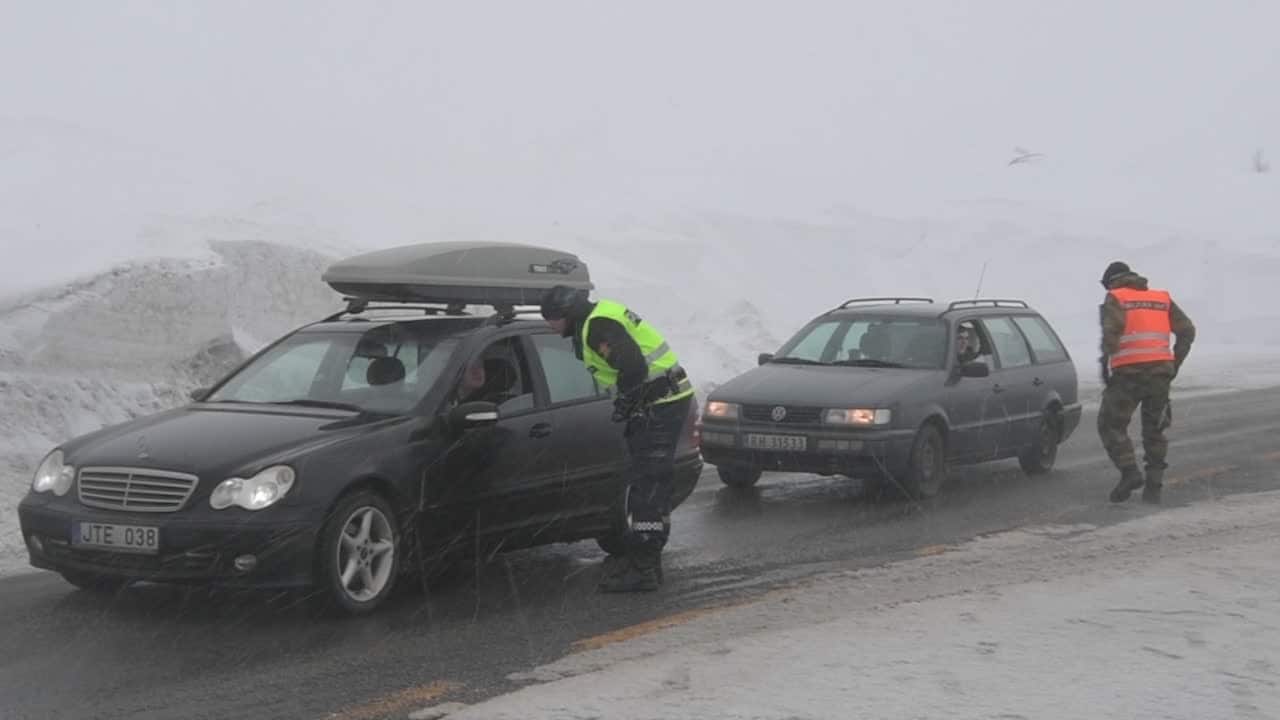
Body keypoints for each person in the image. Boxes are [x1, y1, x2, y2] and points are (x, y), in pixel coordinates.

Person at [539, 285, 695, 592]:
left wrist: (629, 402)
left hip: (660, 404)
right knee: (648, 485)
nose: (549, 325)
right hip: (662, 400)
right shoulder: (598, 316)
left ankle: (644, 567)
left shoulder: (598, 326)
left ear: (566, 313)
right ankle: (646, 559)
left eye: (552, 319)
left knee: (647, 487)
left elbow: (633, 366)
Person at [1097, 261, 1196, 504]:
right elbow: (1187, 330)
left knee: (1110, 424)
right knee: (1154, 431)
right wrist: (1174, 364)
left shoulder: (1116, 297)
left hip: (1127, 376)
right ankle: (1153, 489)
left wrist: (1104, 365)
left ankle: (1130, 472)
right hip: (1159, 376)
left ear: (1110, 281)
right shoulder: (1160, 299)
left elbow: (1112, 332)